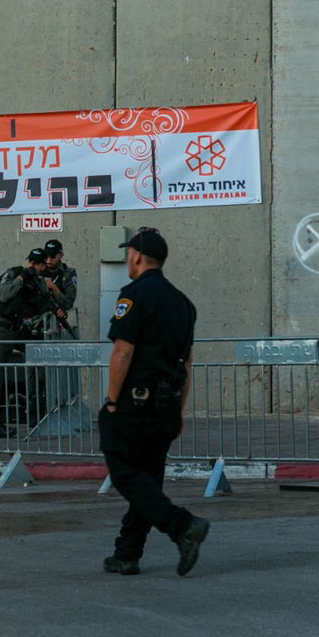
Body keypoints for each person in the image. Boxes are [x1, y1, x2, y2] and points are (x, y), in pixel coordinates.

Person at [99, 227, 210, 577]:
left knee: (124, 472)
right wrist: (178, 410)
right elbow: (188, 363)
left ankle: (182, 526)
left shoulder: (133, 295)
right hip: (167, 403)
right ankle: (127, 553)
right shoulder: (183, 303)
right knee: (147, 479)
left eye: (128, 254)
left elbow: (123, 351)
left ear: (136, 256)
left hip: (134, 403)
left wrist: (112, 401)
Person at [0, 247, 54, 437]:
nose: (39, 269)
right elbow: (5, 295)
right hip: (0, 329)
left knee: (38, 364)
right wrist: (23, 276)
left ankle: (34, 414)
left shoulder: (36, 282)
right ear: (33, 263)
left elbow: (41, 305)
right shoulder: (13, 274)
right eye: (38, 265)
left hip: (19, 330)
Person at [40, 238, 78, 338]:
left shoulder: (68, 274)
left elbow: (68, 303)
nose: (48, 260)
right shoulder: (38, 269)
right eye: (46, 256)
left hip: (55, 321)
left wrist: (53, 287)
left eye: (53, 256)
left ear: (61, 255)